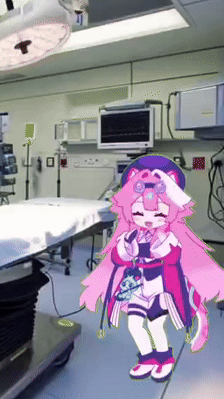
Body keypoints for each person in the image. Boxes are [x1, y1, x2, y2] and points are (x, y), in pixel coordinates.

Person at [80, 155, 224, 382]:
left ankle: (164, 358)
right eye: (139, 213)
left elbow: (174, 258)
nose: (148, 219)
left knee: (156, 325)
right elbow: (118, 257)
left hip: (159, 288)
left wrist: (159, 250)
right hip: (136, 287)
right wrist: (125, 250)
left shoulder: (169, 237)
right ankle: (147, 358)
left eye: (157, 214)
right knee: (134, 325)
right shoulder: (130, 235)